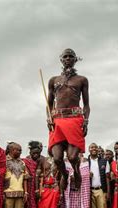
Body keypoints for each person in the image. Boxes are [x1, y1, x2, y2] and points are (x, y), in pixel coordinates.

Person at [47, 48, 90, 191]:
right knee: (57, 158)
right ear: (61, 59)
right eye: (65, 56)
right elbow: (49, 104)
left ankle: (76, 172)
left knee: (72, 157)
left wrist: (86, 120)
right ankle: (65, 175)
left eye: (71, 56)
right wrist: (48, 118)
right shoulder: (53, 80)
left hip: (74, 119)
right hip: (58, 120)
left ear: (75, 59)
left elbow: (87, 104)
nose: (68, 59)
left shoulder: (81, 80)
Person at [3, 142, 28, 208]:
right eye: (17, 149)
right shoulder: (4, 161)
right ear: (10, 150)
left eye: (20, 150)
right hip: (7, 193)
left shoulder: (22, 163)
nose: (19, 151)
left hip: (20, 193)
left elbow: (25, 178)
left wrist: (25, 192)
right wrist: (2, 192)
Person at [88, 143, 110, 208]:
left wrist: (107, 192)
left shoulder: (104, 161)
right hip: (89, 191)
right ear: (89, 150)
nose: (94, 149)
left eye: (95, 147)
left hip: (100, 190)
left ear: (97, 149)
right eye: (92, 147)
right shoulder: (85, 162)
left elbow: (107, 177)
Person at [23, 141, 45, 208]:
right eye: (34, 153)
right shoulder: (25, 161)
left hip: (38, 190)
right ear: (30, 151)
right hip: (28, 189)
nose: (35, 155)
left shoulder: (42, 160)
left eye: (38, 153)